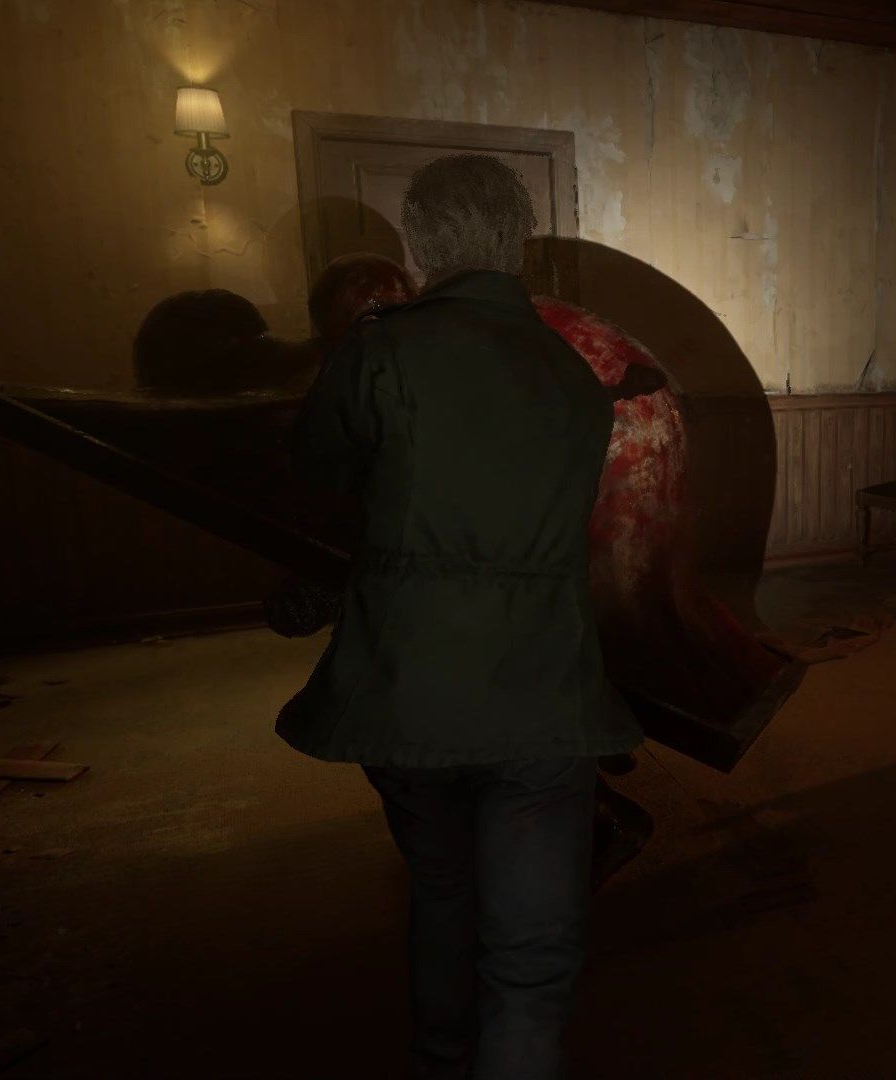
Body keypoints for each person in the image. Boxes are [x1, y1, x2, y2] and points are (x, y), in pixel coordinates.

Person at [277, 153, 644, 1079]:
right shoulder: (572, 375)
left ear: (420, 244)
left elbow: (313, 485)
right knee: (530, 959)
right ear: (517, 243)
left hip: (408, 689)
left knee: (442, 896)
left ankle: (440, 1060)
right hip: (542, 697)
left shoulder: (380, 350)